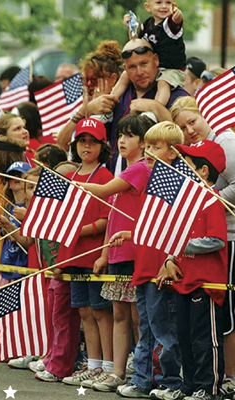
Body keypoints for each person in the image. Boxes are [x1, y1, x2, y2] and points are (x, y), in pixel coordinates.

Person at [169, 95, 235, 393]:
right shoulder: (197, 157)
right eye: (182, 127)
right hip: (205, 243)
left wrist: (206, 202)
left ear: (204, 115)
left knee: (228, 307)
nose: (190, 129)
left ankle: (227, 378)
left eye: (192, 121)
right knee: (204, 320)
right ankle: (202, 380)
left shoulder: (227, 143)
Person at [74, 113, 155, 392]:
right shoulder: (127, 169)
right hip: (119, 253)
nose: (122, 140)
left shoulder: (141, 168)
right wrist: (106, 254)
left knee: (137, 316)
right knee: (121, 314)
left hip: (136, 252)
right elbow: (113, 217)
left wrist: (74, 184)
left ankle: (141, 370)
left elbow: (105, 190)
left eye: (130, 135)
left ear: (144, 143)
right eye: (120, 134)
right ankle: (118, 371)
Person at [110, 121, 184, 399]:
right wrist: (129, 233)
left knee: (163, 329)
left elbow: (172, 228)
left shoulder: (174, 183)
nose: (149, 152)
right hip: (142, 264)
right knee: (146, 327)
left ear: (173, 152)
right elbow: (147, 224)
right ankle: (143, 379)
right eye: (149, 146)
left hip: (159, 267)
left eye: (156, 147)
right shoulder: (151, 179)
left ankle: (170, 381)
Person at [152, 139, 227, 400]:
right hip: (184, 280)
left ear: (204, 171)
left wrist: (182, 245)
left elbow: (216, 240)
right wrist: (171, 257)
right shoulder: (189, 202)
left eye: (189, 165)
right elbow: (178, 236)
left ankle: (209, 388)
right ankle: (190, 386)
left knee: (204, 340)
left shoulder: (212, 200)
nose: (182, 169)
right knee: (184, 336)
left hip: (205, 283)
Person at [55, 118, 114, 386]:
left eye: (92, 141)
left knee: (101, 311)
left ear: (103, 146)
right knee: (84, 312)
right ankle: (92, 364)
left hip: (95, 255)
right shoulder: (69, 177)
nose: (86, 146)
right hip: (74, 256)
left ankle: (108, 364)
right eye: (82, 141)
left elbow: (107, 220)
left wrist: (82, 230)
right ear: (74, 145)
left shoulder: (105, 177)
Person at [106, 38, 188, 175]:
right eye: (132, 67)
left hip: (156, 183)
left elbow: (186, 142)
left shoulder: (177, 97)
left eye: (144, 63)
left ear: (155, 60)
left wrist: (156, 108)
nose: (139, 72)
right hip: (114, 180)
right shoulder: (118, 96)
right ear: (125, 69)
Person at [113, 0, 186, 107]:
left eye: (168, 2)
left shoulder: (169, 24)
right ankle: (111, 101)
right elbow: (136, 43)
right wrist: (131, 28)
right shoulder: (147, 24)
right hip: (155, 67)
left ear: (174, 6)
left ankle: (154, 109)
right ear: (148, 7)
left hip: (172, 69)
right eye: (159, 2)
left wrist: (178, 16)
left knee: (163, 83)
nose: (164, 6)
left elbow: (176, 21)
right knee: (125, 74)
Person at [56, 40, 123, 151]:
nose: (88, 84)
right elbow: (61, 145)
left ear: (113, 79)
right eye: (85, 80)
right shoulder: (83, 104)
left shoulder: (122, 105)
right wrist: (84, 111)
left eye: (94, 79)